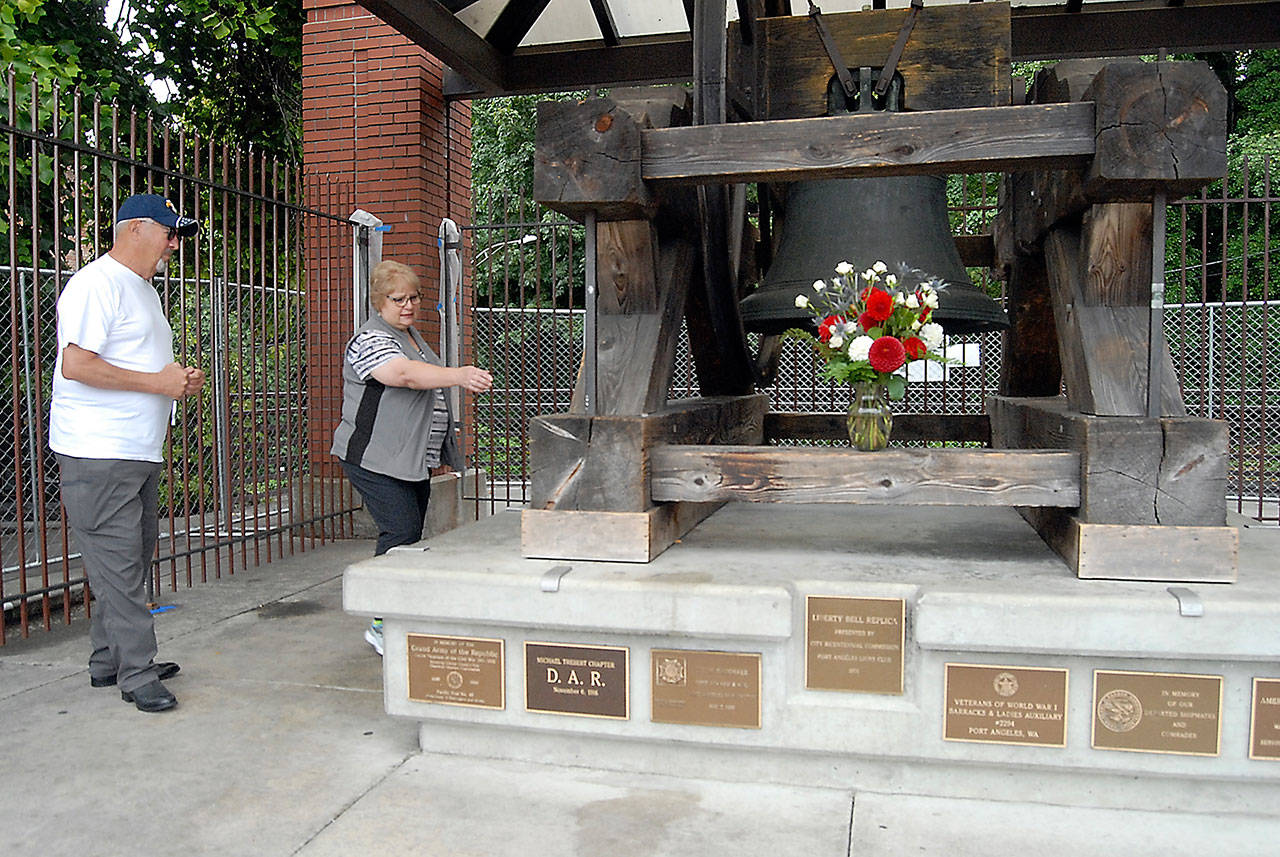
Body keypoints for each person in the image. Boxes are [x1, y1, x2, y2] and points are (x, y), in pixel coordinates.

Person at [50, 193, 205, 713]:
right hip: (98, 453)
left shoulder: (142, 290)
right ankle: (137, 673)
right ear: (135, 228)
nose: (174, 243)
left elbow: (138, 364)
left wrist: (175, 381)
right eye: (169, 232)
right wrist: (157, 381)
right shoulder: (95, 284)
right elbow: (78, 365)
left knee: (127, 561)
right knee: (119, 565)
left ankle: (107, 660)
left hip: (134, 452)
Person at [331, 260, 492, 655]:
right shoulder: (369, 340)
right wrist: (459, 374)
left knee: (409, 535)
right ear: (378, 302)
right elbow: (402, 375)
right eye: (397, 298)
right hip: (373, 457)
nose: (407, 305)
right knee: (400, 532)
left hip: (408, 460)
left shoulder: (413, 336)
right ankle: (381, 623)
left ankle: (397, 613)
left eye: (413, 297)